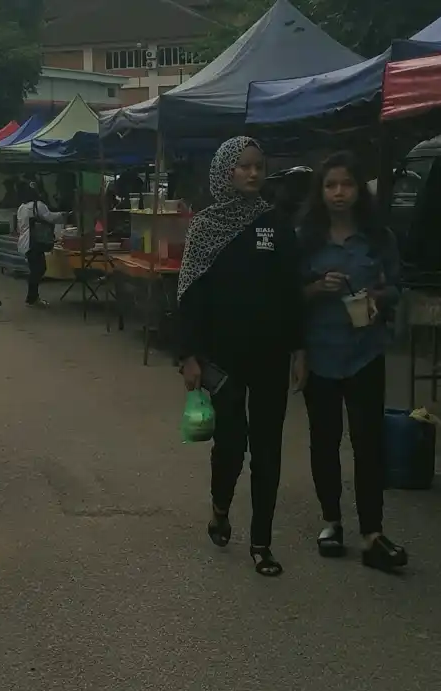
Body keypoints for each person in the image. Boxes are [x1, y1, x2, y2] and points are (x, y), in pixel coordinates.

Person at [177, 137, 305, 578]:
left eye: (260, 166)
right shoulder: (205, 227)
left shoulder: (277, 224)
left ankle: (262, 543)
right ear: (225, 172)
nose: (254, 174)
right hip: (222, 361)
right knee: (230, 446)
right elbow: (189, 296)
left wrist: (298, 348)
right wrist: (188, 356)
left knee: (268, 451)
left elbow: (292, 293)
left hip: (269, 355)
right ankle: (219, 507)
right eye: (244, 167)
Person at [298, 152, 408, 572]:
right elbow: (287, 297)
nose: (339, 193)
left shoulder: (379, 238)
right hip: (320, 354)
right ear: (320, 191)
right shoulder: (305, 238)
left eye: (346, 184)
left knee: (368, 443)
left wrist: (381, 297)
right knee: (324, 441)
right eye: (330, 185)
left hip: (365, 352)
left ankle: (372, 532)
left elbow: (398, 284)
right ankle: (331, 521)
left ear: (360, 189)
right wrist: (315, 289)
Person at [16, 182, 70, 308]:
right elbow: (50, 218)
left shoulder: (21, 207)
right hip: (35, 242)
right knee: (38, 270)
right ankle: (31, 298)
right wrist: (63, 214)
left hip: (25, 242)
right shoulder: (38, 205)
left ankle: (33, 297)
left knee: (36, 269)